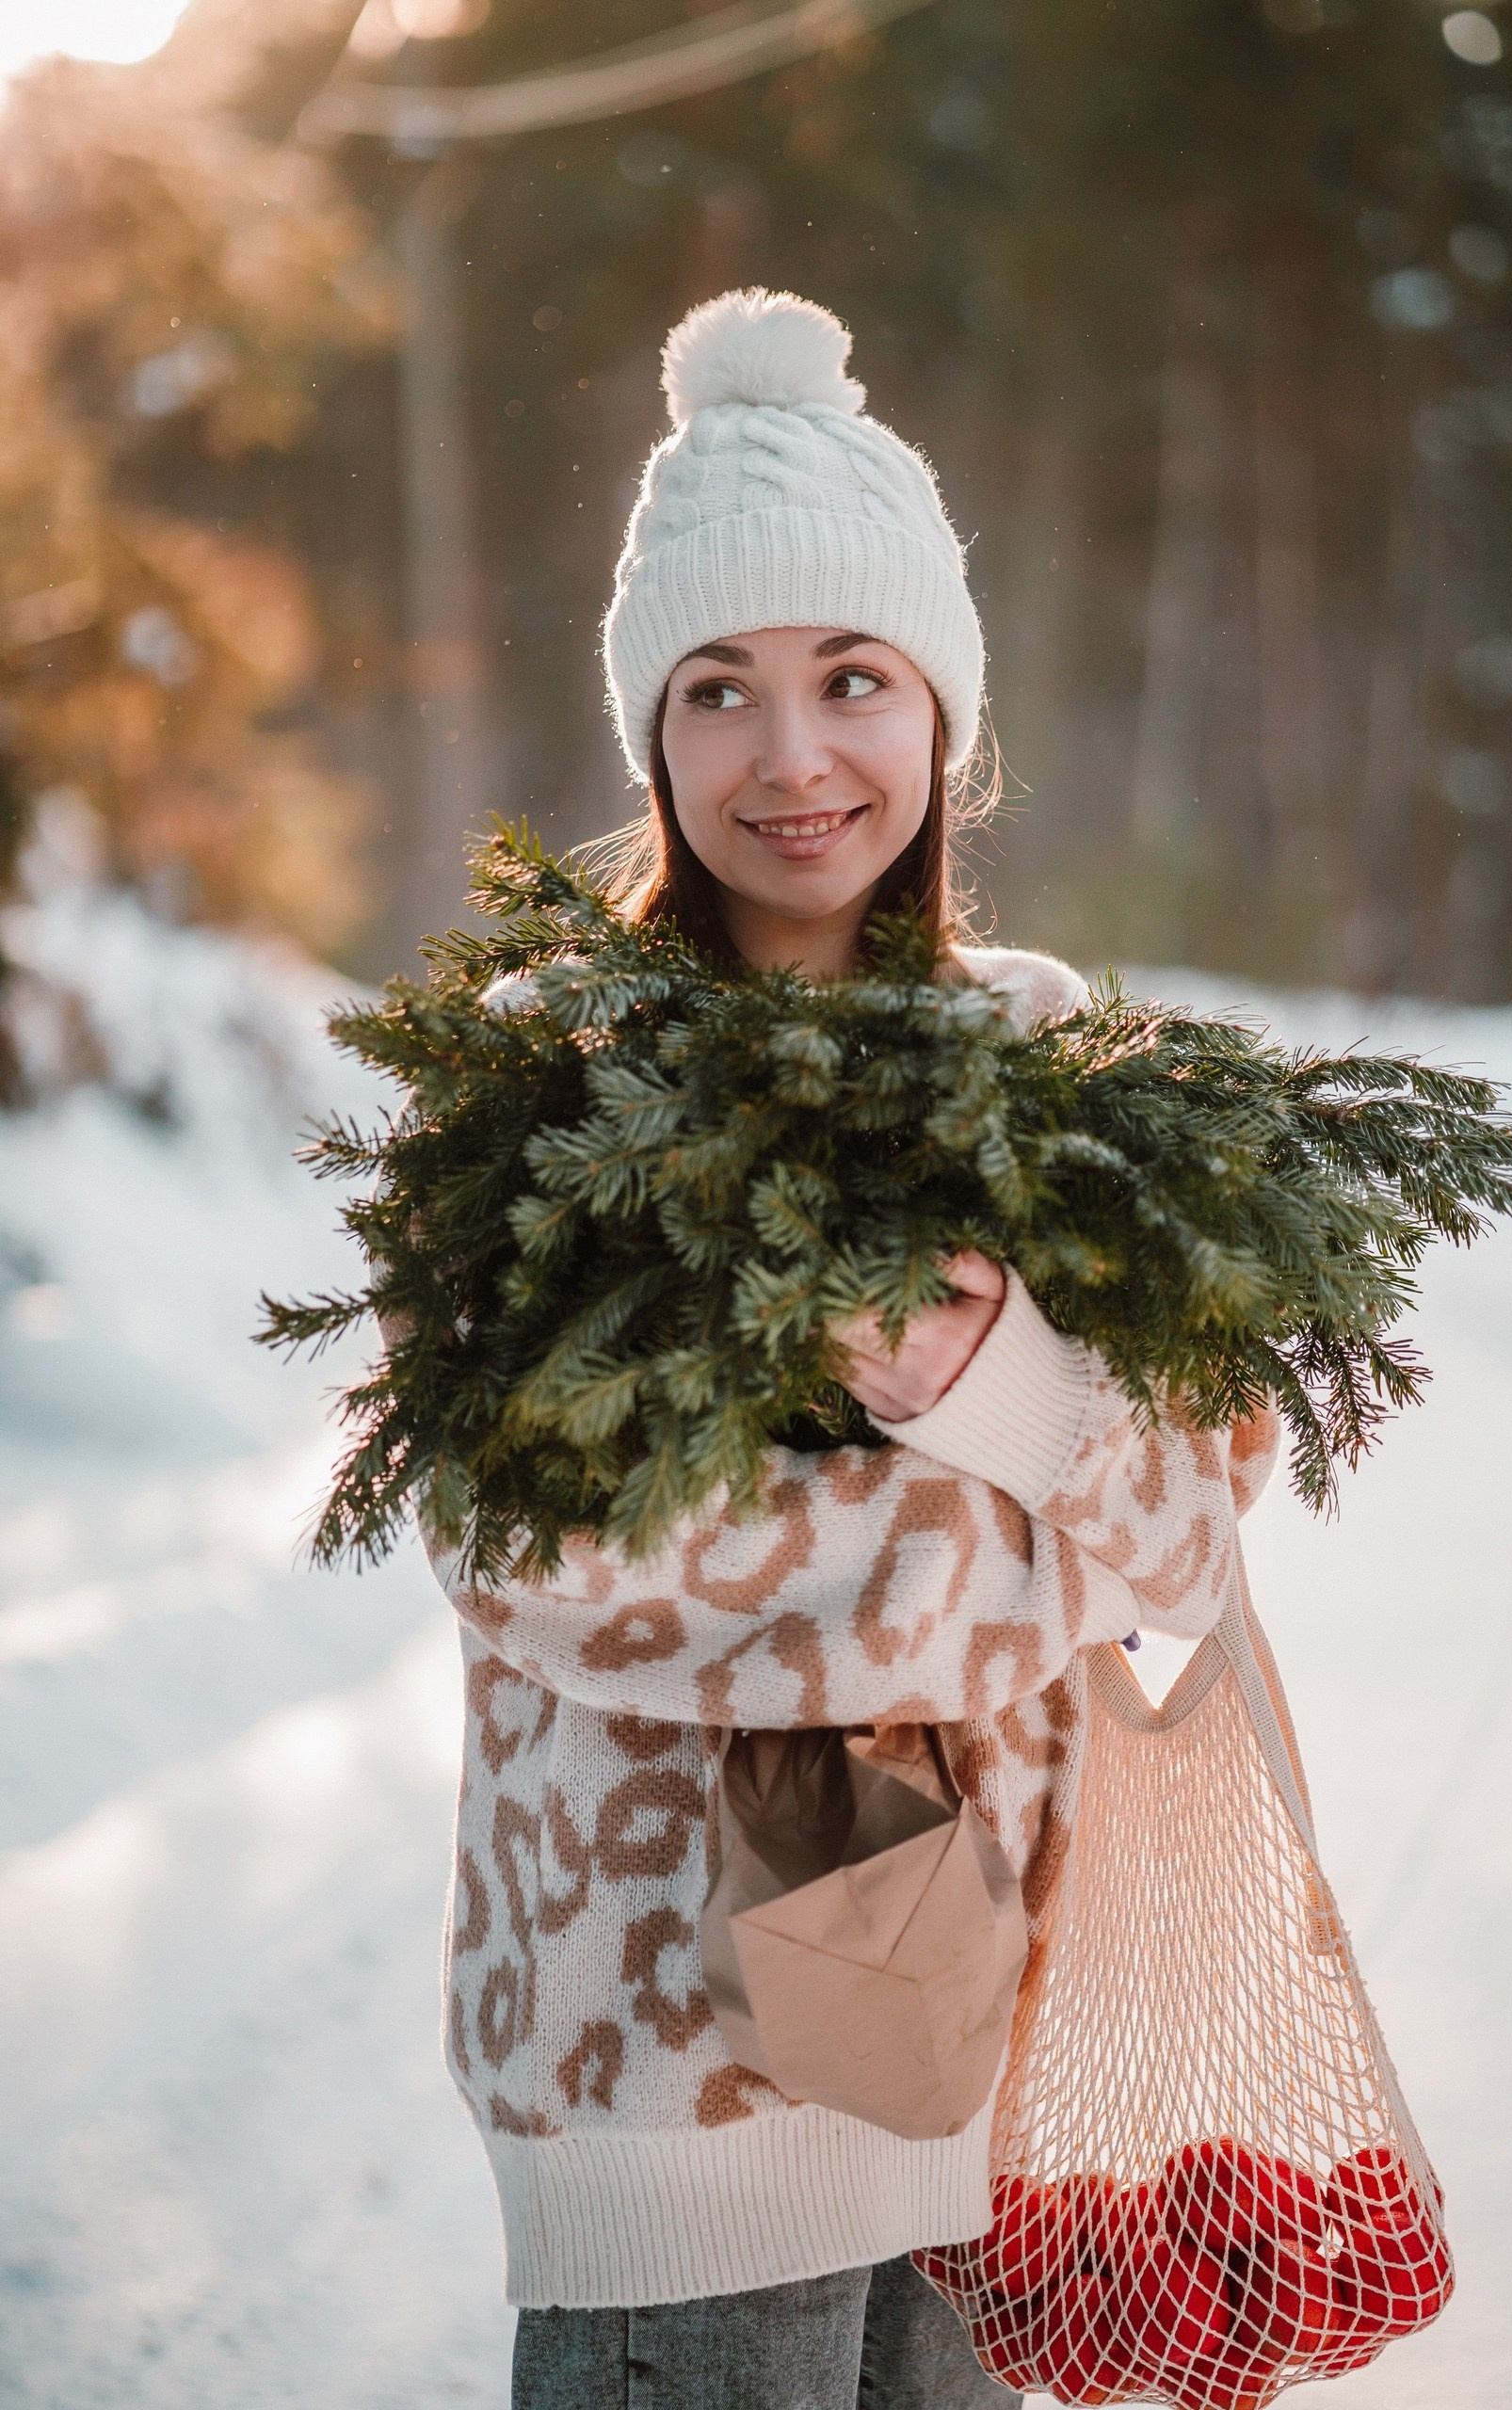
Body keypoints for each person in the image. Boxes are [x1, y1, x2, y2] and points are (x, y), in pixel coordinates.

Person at [425, 288, 1279, 2410]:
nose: (791, 755)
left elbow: (1199, 1516)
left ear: (942, 717)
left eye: (851, 679)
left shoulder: (1048, 1062)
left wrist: (996, 1385)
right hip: (668, 2072)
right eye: (718, 688)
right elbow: (546, 1554)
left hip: (988, 2039)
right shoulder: (550, 1081)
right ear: (653, 734)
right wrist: (1022, 1566)